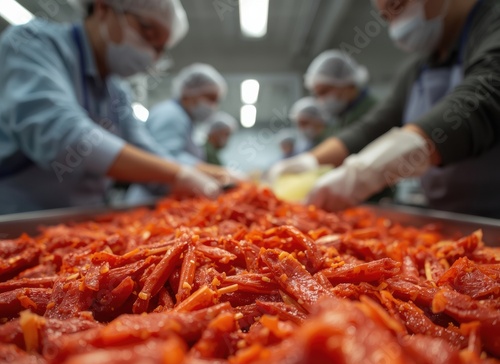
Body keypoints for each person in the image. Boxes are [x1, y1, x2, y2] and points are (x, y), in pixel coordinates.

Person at [277, 0, 500, 218]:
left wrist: (364, 174)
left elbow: (478, 102)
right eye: (386, 16)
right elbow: (373, 127)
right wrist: (308, 162)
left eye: (399, 5)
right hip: (448, 218)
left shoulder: (492, 24)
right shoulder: (416, 69)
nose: (395, 25)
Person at [0, 0, 222, 215]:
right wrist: (177, 174)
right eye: (147, 32)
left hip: (84, 222)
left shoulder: (117, 92)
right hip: (17, 218)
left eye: (159, 49)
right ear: (103, 7)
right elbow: (59, 132)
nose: (151, 55)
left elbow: (145, 150)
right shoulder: (34, 43)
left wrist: (194, 175)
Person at [268, 50, 377, 183]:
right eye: (317, 94)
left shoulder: (372, 110)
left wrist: (309, 162)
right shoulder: (341, 117)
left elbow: (357, 138)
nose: (321, 100)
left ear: (347, 84)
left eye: (324, 91)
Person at [146, 63, 234, 183]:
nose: (213, 106)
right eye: (210, 98)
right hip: (152, 195)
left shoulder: (187, 121)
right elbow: (165, 159)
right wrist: (219, 173)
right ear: (189, 92)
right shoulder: (170, 114)